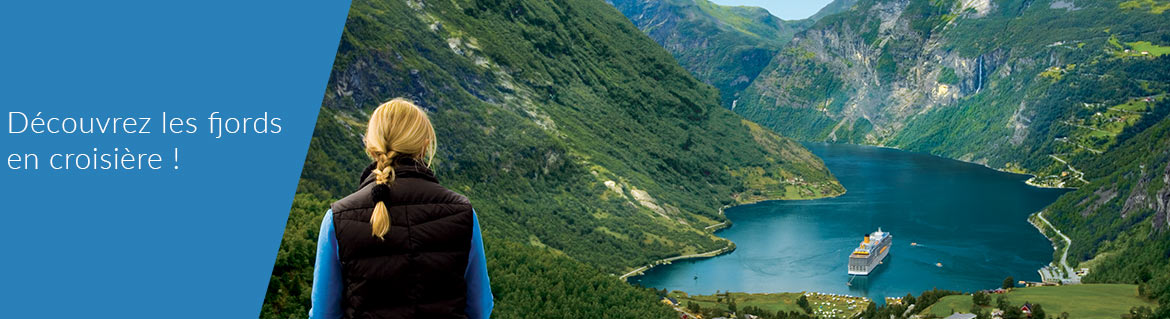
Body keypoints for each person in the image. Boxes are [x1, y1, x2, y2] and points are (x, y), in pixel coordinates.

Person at [309, 98, 493, 319]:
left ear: (371, 146)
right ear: (425, 145)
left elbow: (323, 314)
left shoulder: (337, 219)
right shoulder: (463, 213)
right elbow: (480, 308)